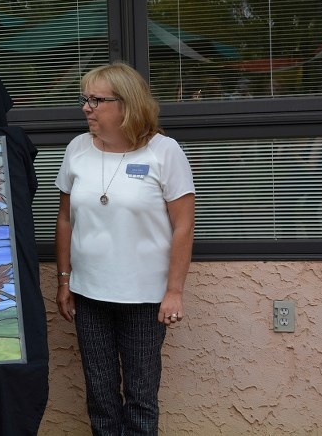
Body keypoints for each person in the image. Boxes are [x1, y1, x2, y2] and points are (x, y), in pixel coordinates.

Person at [54, 62, 195, 435]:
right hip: (90, 293)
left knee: (140, 395)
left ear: (127, 105)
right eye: (85, 99)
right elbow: (66, 218)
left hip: (145, 298)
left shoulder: (164, 152)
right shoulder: (77, 149)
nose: (87, 107)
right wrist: (64, 279)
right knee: (99, 393)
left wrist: (174, 292)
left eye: (97, 100)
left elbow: (183, 227)